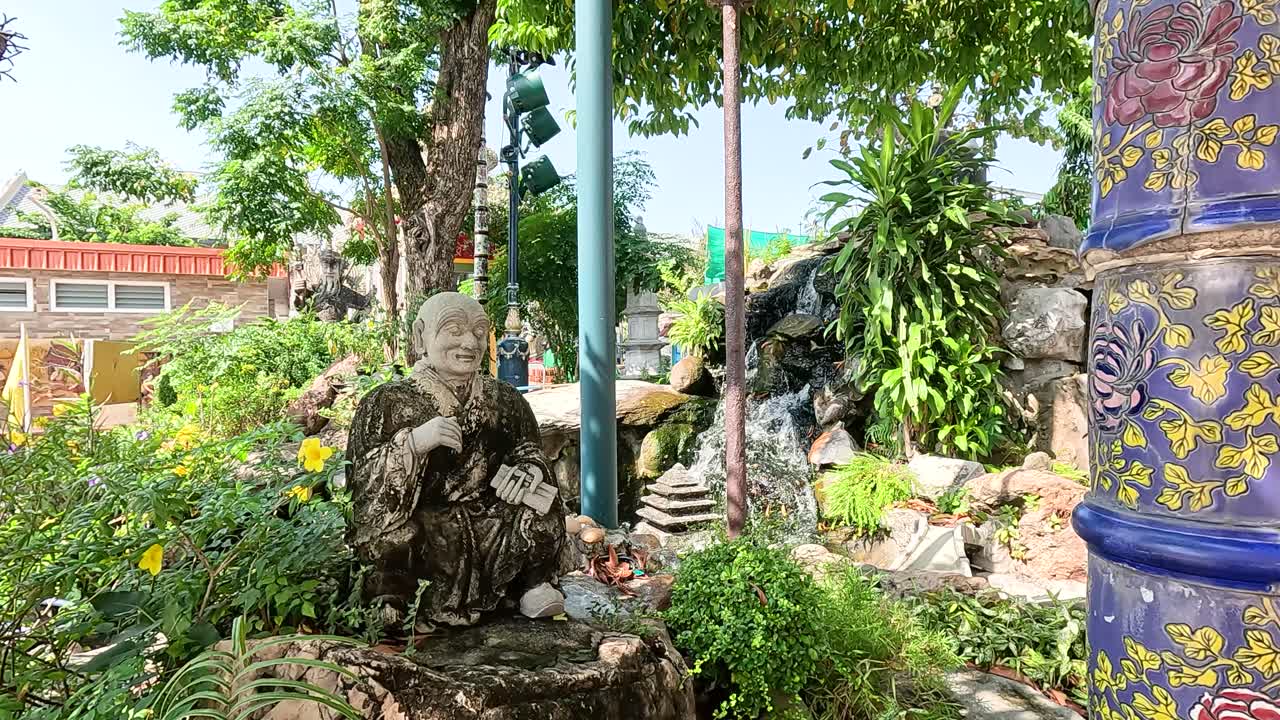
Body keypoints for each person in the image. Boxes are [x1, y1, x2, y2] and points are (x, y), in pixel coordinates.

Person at [347, 292, 564, 627]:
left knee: (541, 508)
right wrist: (414, 443)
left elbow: (529, 448)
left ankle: (530, 583)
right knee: (393, 537)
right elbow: (363, 487)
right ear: (421, 336)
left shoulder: (503, 398)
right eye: (454, 330)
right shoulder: (386, 402)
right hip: (425, 522)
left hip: (490, 517)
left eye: (479, 332)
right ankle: (392, 596)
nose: (470, 342)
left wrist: (529, 470)